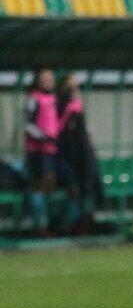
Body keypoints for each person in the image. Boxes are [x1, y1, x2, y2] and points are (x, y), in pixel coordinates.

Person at [54, 73, 101, 235]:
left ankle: (84, 224)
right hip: (66, 156)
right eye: (69, 88)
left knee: (87, 189)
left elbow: (83, 132)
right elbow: (58, 130)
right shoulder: (59, 107)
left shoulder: (77, 107)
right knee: (73, 190)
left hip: (83, 156)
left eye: (76, 87)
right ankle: (66, 227)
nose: (74, 90)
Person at [23, 67, 64, 236]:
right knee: (38, 185)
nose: (48, 81)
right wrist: (44, 136)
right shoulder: (33, 98)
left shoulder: (55, 98)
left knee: (51, 185)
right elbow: (28, 124)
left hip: (52, 150)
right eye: (44, 78)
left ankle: (50, 224)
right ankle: (39, 225)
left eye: (50, 78)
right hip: (37, 151)